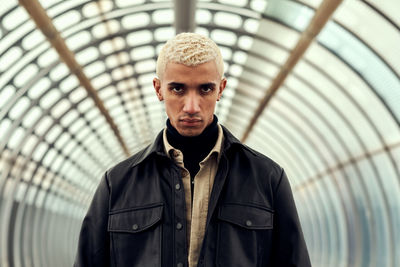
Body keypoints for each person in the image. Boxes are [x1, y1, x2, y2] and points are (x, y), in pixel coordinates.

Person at [74, 32, 311, 267]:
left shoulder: (268, 179)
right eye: (178, 89)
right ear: (158, 89)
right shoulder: (117, 184)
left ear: (221, 89)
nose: (191, 106)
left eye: (205, 89)